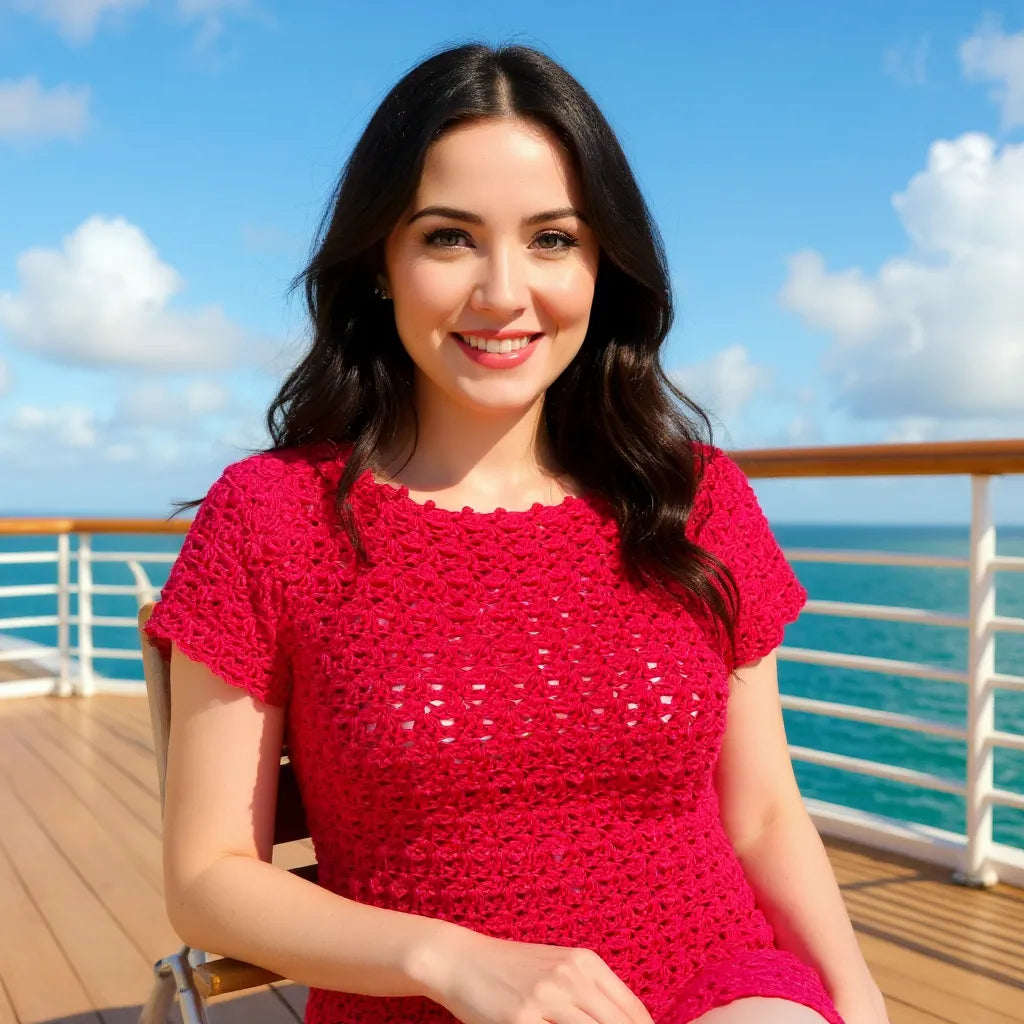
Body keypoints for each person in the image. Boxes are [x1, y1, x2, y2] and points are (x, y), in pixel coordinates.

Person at [143, 41, 890, 1024]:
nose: (503, 292)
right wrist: (451, 959)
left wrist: (856, 995)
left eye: (552, 239)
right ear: (380, 261)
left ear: (602, 262)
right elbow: (206, 876)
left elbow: (760, 812)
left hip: (715, 979)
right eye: (450, 237)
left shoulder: (689, 495)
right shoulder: (272, 518)